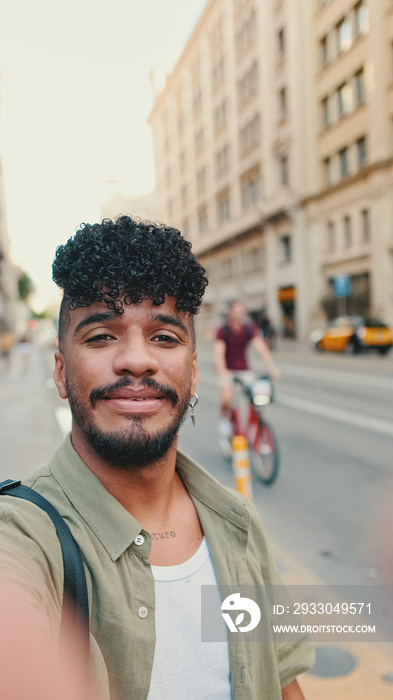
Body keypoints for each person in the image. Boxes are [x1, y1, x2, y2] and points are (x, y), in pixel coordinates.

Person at [0, 217, 313, 700]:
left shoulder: (238, 523)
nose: (137, 360)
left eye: (164, 337)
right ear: (60, 372)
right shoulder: (20, 539)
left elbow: (282, 682)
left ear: (192, 371)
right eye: (101, 335)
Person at [214, 300, 281, 446]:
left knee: (257, 396)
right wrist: (223, 372)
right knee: (227, 398)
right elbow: (219, 354)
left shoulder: (248, 328)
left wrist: (271, 367)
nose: (239, 314)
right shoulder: (223, 330)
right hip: (228, 371)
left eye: (241, 311)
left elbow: (261, 347)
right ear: (230, 313)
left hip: (244, 371)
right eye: (236, 311)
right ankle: (225, 422)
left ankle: (256, 423)